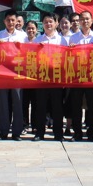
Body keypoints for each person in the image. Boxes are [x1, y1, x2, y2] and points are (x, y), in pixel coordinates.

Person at [68, 10, 93, 141]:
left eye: (87, 19)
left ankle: (92, 132)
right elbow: (69, 58)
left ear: (91, 20)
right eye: (82, 19)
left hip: (92, 76)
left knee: (92, 106)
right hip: (77, 76)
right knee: (76, 105)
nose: (85, 21)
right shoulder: (74, 38)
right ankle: (77, 132)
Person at [31, 13, 66, 141]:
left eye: (51, 21)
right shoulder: (37, 40)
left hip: (57, 79)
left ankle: (58, 133)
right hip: (42, 79)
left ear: (56, 23)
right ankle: (40, 132)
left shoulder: (62, 40)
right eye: (46, 22)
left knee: (57, 107)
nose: (48, 24)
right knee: (40, 107)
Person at [0, 10, 27, 140]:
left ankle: (17, 132)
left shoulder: (22, 36)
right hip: (2, 71)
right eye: (8, 20)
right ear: (4, 21)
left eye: (13, 20)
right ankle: (3, 131)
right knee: (2, 102)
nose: (11, 23)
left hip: (17, 72)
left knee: (17, 102)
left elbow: (27, 54)